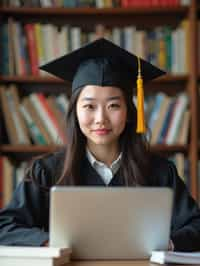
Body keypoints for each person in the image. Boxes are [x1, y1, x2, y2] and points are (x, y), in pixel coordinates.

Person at [0, 38, 200, 251]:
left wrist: (167, 244)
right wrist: (50, 243)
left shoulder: (160, 172)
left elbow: (196, 226)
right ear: (75, 112)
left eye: (113, 105)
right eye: (89, 106)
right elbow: (5, 226)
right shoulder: (46, 172)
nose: (100, 118)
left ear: (129, 112)